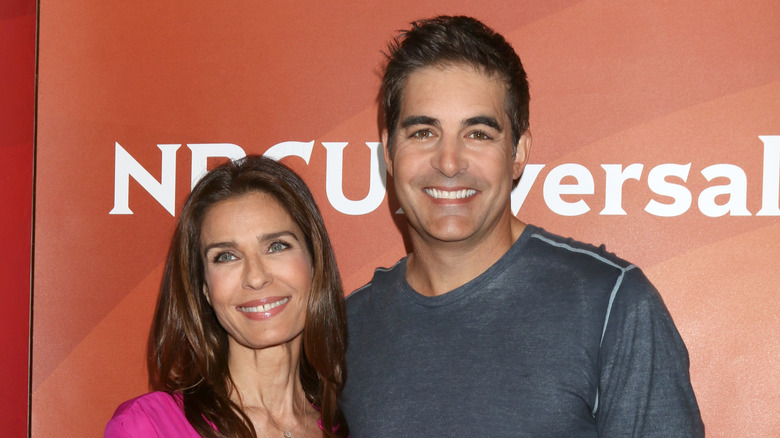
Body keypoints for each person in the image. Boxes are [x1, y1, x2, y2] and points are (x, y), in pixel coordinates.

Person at [340, 15, 704, 437]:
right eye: (423, 132)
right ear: (388, 151)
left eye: (478, 134)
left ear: (518, 152)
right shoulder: (350, 329)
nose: (450, 162)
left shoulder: (611, 306)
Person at [105, 156, 348, 438]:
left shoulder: (349, 426)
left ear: (315, 262)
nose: (256, 277)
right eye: (226, 256)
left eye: (277, 246)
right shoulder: (148, 427)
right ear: (204, 288)